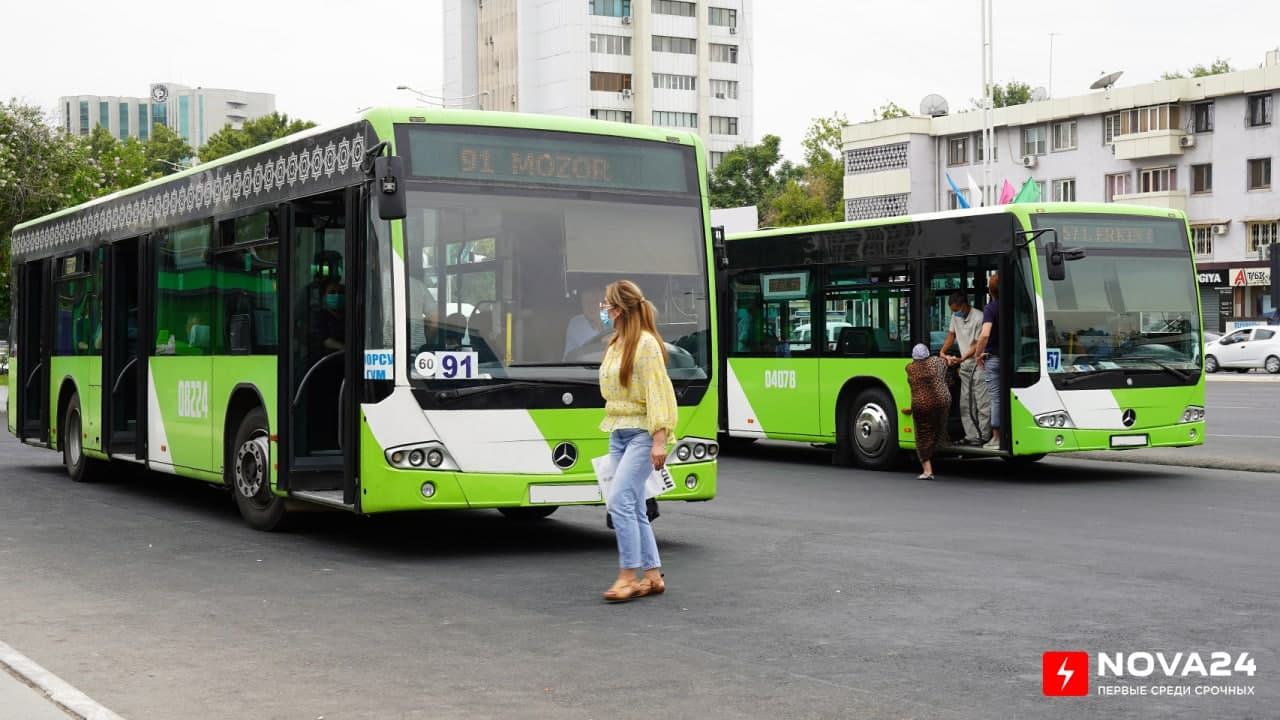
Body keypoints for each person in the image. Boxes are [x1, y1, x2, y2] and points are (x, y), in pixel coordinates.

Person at [598, 280, 677, 603]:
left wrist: (659, 441)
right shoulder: (616, 343)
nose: (603, 309)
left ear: (619, 309)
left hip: (642, 435)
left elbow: (658, 394)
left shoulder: (645, 345)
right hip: (618, 433)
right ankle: (653, 575)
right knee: (632, 506)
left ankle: (628, 576)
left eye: (606, 304)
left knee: (619, 502)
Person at [939, 290, 991, 446]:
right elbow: (951, 335)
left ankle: (984, 435)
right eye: (953, 311)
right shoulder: (956, 317)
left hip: (978, 363)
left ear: (964, 306)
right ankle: (972, 436)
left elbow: (978, 344)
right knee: (965, 403)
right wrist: (943, 352)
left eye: (956, 310)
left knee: (981, 402)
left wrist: (962, 358)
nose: (955, 314)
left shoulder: (979, 317)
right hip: (965, 365)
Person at [906, 343, 950, 480]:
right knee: (939, 427)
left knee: (922, 437)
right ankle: (942, 444)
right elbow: (947, 363)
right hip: (942, 401)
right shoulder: (937, 362)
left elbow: (915, 391)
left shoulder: (910, 368)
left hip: (922, 406)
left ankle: (927, 470)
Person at [973, 272, 1001, 450]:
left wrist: (977, 354)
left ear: (990, 291)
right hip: (1012, 360)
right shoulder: (1014, 305)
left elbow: (985, 334)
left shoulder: (991, 308)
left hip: (993, 359)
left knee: (995, 399)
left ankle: (996, 437)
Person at [564, 286, 606, 359]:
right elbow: (594, 349)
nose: (591, 306)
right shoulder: (577, 324)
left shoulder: (616, 320)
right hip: (579, 368)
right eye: (587, 302)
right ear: (582, 304)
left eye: (595, 302)